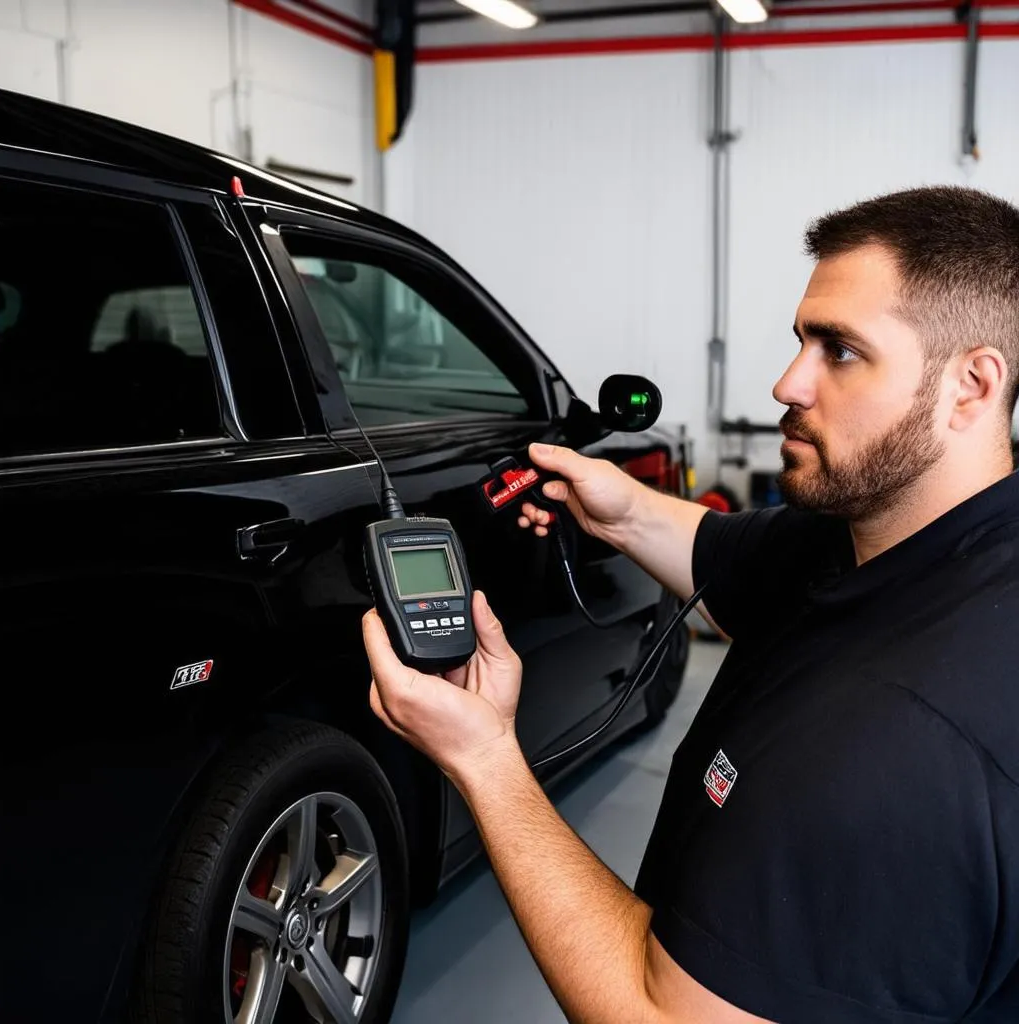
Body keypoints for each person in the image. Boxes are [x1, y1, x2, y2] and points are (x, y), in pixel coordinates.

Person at [362, 185, 1019, 1023]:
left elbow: (661, 1013)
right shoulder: (900, 532)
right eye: (800, 342)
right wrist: (621, 507)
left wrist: (486, 761)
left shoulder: (911, 742)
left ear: (970, 385)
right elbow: (724, 552)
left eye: (841, 351)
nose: (787, 382)